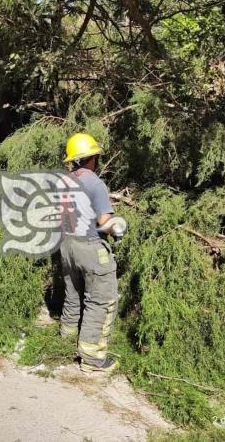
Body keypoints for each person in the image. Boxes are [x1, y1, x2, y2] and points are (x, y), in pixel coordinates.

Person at [59, 133, 127, 373]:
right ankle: (92, 359)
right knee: (101, 301)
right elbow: (104, 221)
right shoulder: (95, 183)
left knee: (73, 295)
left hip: (67, 246)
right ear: (92, 157)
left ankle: (66, 340)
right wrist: (118, 228)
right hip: (90, 248)